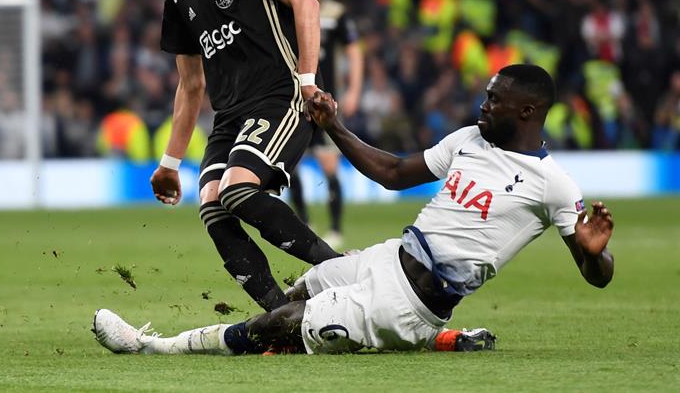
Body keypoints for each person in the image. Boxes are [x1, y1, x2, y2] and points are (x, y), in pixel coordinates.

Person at [93, 64, 614, 355]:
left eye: (493, 100)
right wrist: (334, 127)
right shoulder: (469, 140)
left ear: (527, 111)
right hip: (388, 258)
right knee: (299, 292)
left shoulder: (553, 186)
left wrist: (595, 256)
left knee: (282, 325)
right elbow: (392, 173)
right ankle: (440, 342)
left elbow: (597, 277)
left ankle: (154, 348)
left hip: (411, 303)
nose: (483, 105)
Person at [150, 0, 340, 312]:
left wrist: (307, 82)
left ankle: (343, 277)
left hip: (280, 95)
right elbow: (190, 84)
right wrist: (169, 162)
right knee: (214, 208)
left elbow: (305, 1)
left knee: (237, 190)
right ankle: (281, 317)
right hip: (229, 116)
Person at [289, 0, 364, 249]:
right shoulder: (289, 8)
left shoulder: (335, 14)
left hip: (323, 100)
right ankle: (304, 222)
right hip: (294, 100)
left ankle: (334, 229)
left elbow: (354, 52)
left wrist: (354, 89)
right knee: (289, 165)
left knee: (328, 164)